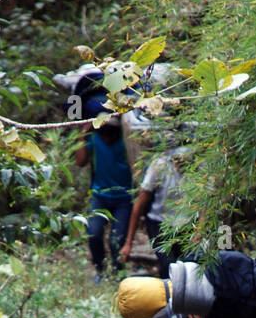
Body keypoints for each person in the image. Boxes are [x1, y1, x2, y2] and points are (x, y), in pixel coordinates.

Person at [75, 116, 134, 282]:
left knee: (117, 240)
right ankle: (101, 270)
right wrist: (83, 133)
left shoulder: (126, 141)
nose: (107, 137)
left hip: (124, 197)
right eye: (104, 132)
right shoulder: (94, 139)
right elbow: (80, 161)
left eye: (111, 132)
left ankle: (117, 274)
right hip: (99, 195)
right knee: (93, 233)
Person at [119, 149, 185, 278]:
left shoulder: (199, 168)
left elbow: (204, 204)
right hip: (158, 223)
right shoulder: (160, 166)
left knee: (185, 266)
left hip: (186, 225)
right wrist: (128, 243)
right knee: (168, 265)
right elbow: (140, 203)